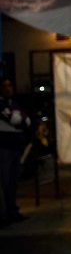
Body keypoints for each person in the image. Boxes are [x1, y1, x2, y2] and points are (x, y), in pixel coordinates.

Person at [0, 78, 31, 224]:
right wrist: (19, 120)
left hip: (15, 148)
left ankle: (12, 211)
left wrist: (20, 121)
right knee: (5, 182)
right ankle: (5, 213)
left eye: (9, 85)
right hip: (4, 148)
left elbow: (25, 120)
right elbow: (13, 120)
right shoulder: (2, 105)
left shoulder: (14, 104)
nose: (8, 88)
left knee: (13, 182)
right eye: (4, 86)